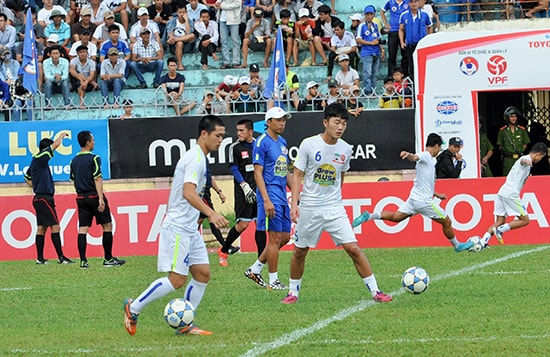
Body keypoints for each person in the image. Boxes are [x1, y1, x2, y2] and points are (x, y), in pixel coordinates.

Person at [123, 115, 229, 336]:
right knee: (177, 279)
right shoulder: (195, 159)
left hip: (190, 228)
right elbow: (188, 192)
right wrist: (211, 213)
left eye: (222, 136)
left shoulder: (201, 157)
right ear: (204, 134)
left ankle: (184, 324)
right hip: (179, 227)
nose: (221, 140)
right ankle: (133, 308)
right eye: (218, 136)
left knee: (202, 274)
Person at [281, 103, 392, 305]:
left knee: (353, 248)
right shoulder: (308, 144)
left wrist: (334, 197)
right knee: (299, 251)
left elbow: (341, 175)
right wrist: (294, 204)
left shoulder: (346, 148)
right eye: (336, 122)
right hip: (309, 207)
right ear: (326, 122)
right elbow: (297, 174)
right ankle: (293, 293)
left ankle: (376, 291)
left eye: (344, 123)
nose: (340, 127)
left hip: (334, 207)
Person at [352, 133, 474, 252]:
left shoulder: (430, 161)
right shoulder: (426, 155)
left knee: (396, 217)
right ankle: (457, 245)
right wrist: (408, 154)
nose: (439, 150)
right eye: (439, 147)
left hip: (414, 199)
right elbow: (415, 157)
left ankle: (369, 215)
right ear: (436, 146)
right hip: (423, 202)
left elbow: (425, 182)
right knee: (447, 221)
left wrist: (437, 194)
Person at [244, 106, 293, 290]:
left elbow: (285, 171)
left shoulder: (282, 142)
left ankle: (255, 269)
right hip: (270, 193)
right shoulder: (262, 141)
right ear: (268, 122)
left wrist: (296, 193)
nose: (282, 123)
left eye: (284, 120)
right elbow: (258, 173)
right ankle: (273, 280)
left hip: (282, 193)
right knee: (273, 238)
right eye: (279, 120)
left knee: (285, 237)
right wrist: (265, 199)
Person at [70, 130, 126, 268]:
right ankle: (108, 259)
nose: (94, 142)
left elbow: (73, 180)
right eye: (93, 140)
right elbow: (97, 178)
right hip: (94, 195)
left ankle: (83, 261)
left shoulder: (74, 161)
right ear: (88, 142)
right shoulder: (94, 158)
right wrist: (100, 198)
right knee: (107, 225)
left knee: (83, 228)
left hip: (80, 197)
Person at [481, 142, 548, 247]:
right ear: (538, 154)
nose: (540, 160)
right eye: (541, 157)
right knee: (525, 220)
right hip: (511, 194)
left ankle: (483, 241)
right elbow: (523, 161)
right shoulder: (526, 159)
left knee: (500, 220)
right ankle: (500, 230)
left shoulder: (526, 160)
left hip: (502, 192)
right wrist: (527, 162)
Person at [24, 133, 74, 265]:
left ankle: (40, 258)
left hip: (39, 198)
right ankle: (61, 257)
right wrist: (62, 135)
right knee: (55, 226)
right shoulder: (39, 158)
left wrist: (35, 185)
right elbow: (55, 145)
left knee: (41, 228)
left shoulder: (37, 163)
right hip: (44, 198)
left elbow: (26, 176)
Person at [221, 119, 266, 264]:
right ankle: (224, 250)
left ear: (250, 131)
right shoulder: (234, 147)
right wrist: (244, 185)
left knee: (260, 224)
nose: (238, 133)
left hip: (258, 189)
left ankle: (261, 260)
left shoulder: (259, 145)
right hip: (243, 191)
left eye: (242, 130)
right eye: (237, 130)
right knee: (243, 225)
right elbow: (233, 168)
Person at [398, 0, 432, 79]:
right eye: (412, 2)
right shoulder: (404, 15)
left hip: (421, 45)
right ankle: (413, 86)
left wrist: (428, 39)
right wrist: (402, 42)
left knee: (422, 64)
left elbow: (430, 26)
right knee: (411, 65)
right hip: (410, 44)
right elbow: (401, 29)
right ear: (409, 4)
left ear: (418, 3)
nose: (414, 4)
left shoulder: (424, 14)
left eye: (415, 2)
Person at [356, 5, 384, 94]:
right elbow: (358, 39)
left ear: (374, 15)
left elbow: (378, 39)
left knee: (375, 73)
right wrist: (371, 43)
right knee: (367, 72)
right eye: (367, 14)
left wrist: (382, 50)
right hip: (367, 52)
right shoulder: (361, 26)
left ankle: (373, 90)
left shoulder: (375, 25)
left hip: (376, 51)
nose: (369, 16)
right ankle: (368, 91)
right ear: (365, 15)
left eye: (371, 14)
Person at [497, 106, 530, 176]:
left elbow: (525, 144)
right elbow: (500, 146)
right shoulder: (503, 131)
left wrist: (520, 151)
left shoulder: (522, 130)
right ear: (507, 118)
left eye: (515, 116)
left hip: (519, 158)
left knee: (520, 177)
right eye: (511, 117)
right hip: (508, 160)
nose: (513, 118)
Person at [380, 0, 409, 77]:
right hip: (393, 31)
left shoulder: (408, 1)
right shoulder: (390, 2)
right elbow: (382, 12)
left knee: (405, 55)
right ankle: (391, 77)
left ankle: (404, 76)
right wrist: (386, 24)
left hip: (405, 31)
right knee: (392, 55)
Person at [166, 4, 196, 70]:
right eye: (180, 12)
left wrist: (186, 21)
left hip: (187, 45)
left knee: (192, 35)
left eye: (184, 12)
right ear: (177, 13)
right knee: (179, 43)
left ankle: (177, 39)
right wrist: (172, 39)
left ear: (186, 12)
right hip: (174, 46)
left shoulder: (190, 21)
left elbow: (188, 34)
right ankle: (180, 65)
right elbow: (170, 34)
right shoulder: (172, 21)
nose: (182, 14)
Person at [216, 0, 241, 69]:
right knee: (223, 41)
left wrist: (222, 6)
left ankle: (236, 62)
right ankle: (226, 62)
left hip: (233, 19)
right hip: (222, 19)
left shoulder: (223, 5)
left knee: (235, 41)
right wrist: (217, 3)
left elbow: (237, 4)